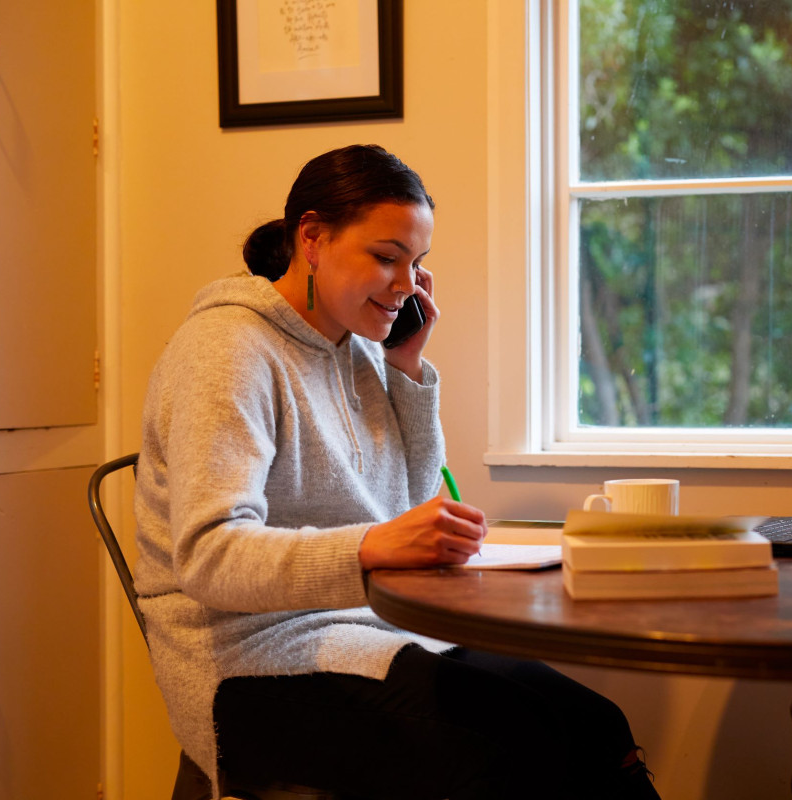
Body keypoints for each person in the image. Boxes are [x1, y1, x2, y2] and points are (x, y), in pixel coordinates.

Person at [133, 144, 660, 800]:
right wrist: (371, 546)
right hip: (246, 665)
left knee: (596, 726)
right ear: (313, 238)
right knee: (512, 751)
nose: (406, 284)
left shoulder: (359, 347)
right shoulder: (226, 353)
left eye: (416, 264)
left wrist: (406, 369)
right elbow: (208, 559)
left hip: (363, 630)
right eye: (386, 258)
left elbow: (406, 503)